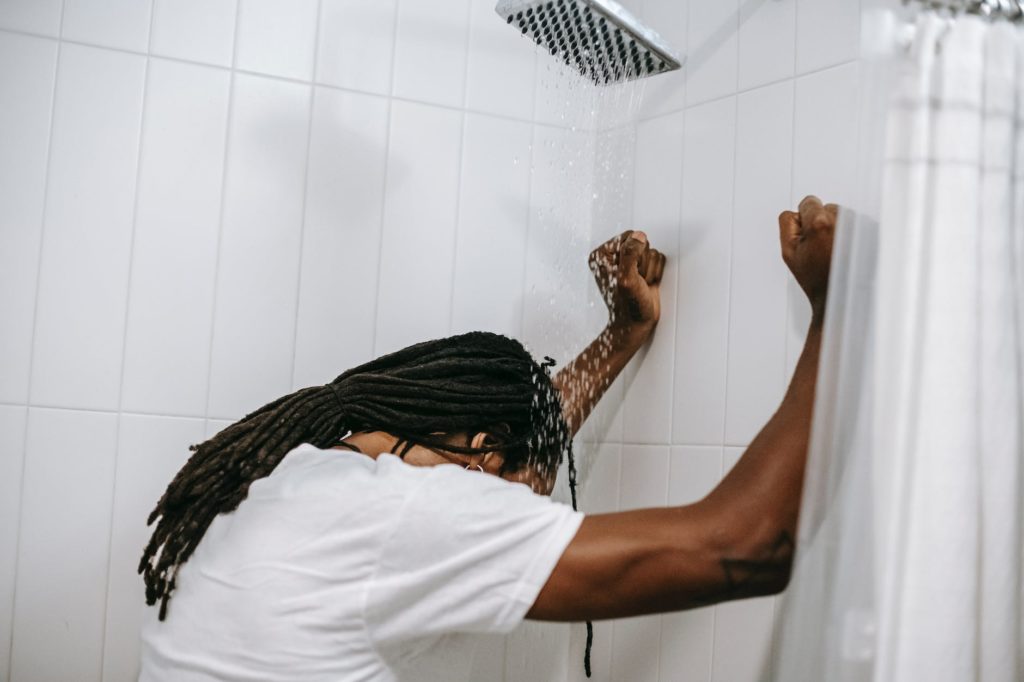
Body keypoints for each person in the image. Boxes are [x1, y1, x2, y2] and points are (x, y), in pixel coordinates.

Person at [138, 196, 837, 682]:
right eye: (522, 482)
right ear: (483, 451)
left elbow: (511, 454)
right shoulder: (404, 512)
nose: (522, 502)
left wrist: (620, 337)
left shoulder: (304, 474)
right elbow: (751, 547)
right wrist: (836, 308)